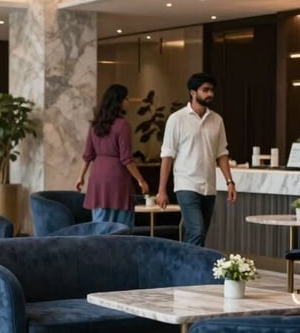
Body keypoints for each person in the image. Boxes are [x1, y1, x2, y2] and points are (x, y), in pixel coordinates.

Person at [156, 72, 237, 246]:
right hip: (186, 185)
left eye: (212, 90)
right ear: (193, 92)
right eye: (205, 90)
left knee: (196, 233)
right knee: (197, 231)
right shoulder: (176, 119)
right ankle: (191, 271)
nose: (210, 94)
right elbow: (167, 156)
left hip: (209, 187)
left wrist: (230, 182)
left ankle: (181, 266)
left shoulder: (217, 120)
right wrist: (161, 190)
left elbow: (222, 153)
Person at [75, 83, 150, 230]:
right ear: (119, 101)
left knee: (99, 221)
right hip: (117, 176)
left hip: (97, 176)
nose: (128, 102)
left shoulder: (94, 125)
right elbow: (126, 158)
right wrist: (141, 180)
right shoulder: (123, 125)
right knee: (122, 224)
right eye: (126, 98)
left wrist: (80, 177)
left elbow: (88, 155)